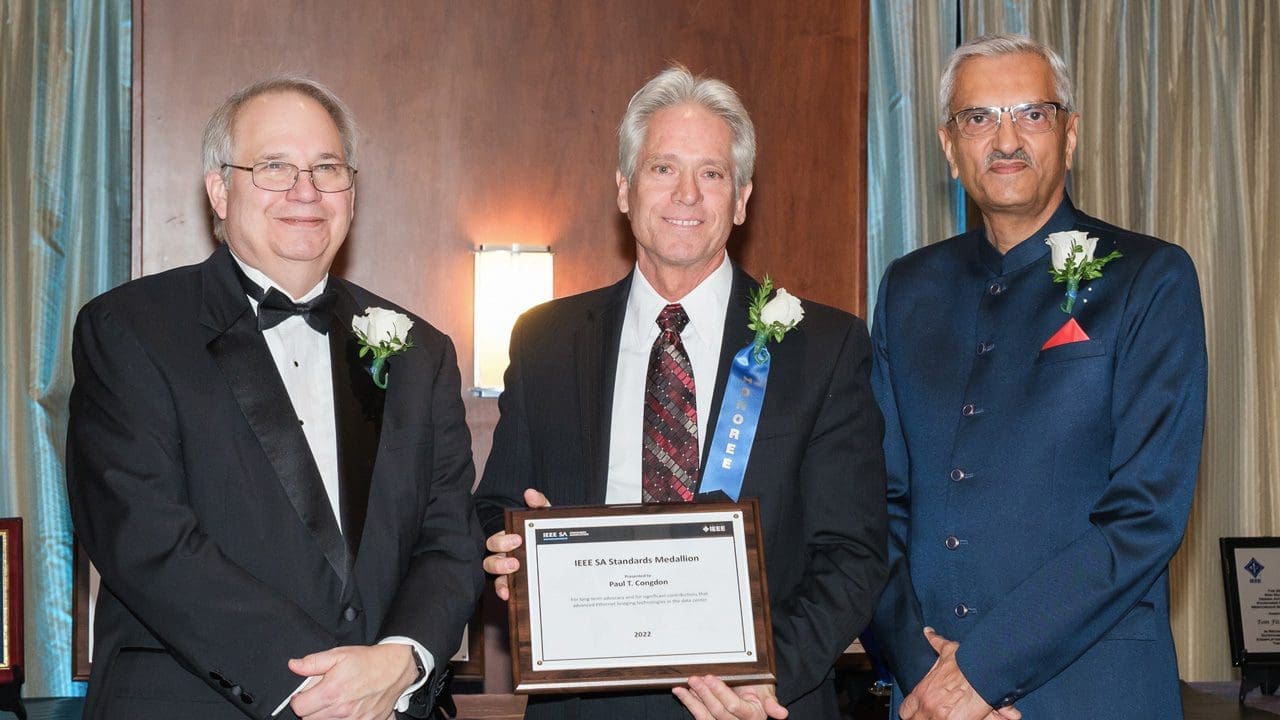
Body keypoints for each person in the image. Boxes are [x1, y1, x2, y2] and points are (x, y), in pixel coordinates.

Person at [472, 64, 888, 720]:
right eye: (664, 168)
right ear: (624, 189)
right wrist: (501, 546)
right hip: (584, 704)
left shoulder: (823, 347)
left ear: (742, 198)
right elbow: (496, 505)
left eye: (712, 173)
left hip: (754, 705)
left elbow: (854, 551)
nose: (687, 194)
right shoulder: (546, 340)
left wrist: (769, 674)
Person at [66, 76, 483, 720]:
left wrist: (402, 658)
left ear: (351, 191)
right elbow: (144, 539)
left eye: (326, 168)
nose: (305, 191)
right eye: (274, 167)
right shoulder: (130, 330)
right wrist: (321, 686)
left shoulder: (417, 350)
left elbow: (450, 539)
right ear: (219, 190)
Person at [868, 34, 1207, 720]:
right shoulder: (908, 289)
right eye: (979, 117)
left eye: (1032, 113)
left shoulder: (1150, 279)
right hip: (927, 701)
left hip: (1095, 693)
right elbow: (877, 508)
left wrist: (979, 674)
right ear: (948, 145)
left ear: (1070, 133)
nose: (1006, 138)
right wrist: (923, 673)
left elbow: (1143, 517)